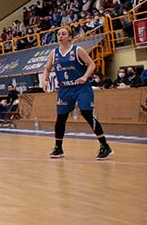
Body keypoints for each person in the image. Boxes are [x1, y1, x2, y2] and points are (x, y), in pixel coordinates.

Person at [42, 27, 112, 160]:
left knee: (86, 112)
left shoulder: (77, 50)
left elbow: (91, 65)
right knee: (61, 117)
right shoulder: (54, 53)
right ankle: (58, 147)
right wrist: (44, 80)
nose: (60, 36)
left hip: (81, 87)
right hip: (65, 89)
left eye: (63, 34)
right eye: (58, 34)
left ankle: (104, 145)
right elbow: (47, 68)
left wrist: (85, 76)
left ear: (70, 37)